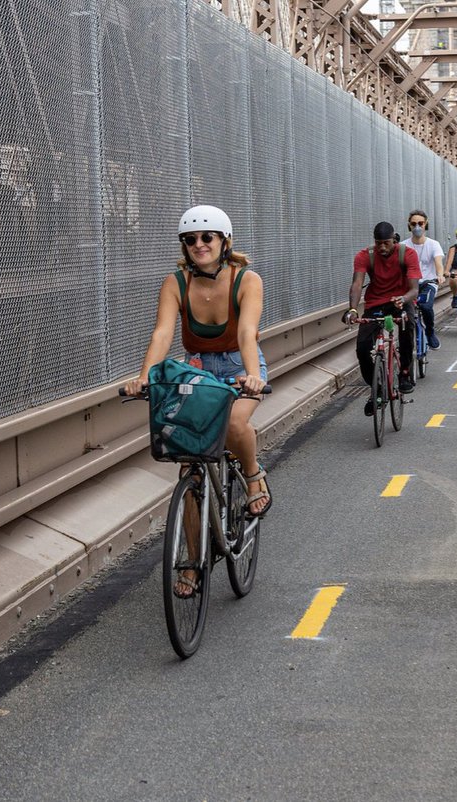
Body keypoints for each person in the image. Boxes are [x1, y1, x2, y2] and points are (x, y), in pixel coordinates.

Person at [125, 205, 269, 598]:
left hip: (240, 363)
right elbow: (162, 333)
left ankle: (253, 475)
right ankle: (192, 559)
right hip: (196, 369)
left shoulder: (247, 279)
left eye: (208, 237)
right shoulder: (175, 282)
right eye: (191, 239)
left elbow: (246, 332)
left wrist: (252, 377)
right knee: (189, 462)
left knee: (236, 425)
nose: (199, 245)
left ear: (225, 242)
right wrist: (145, 378)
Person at [343, 222, 420, 414]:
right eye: (378, 243)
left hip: (400, 301)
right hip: (375, 304)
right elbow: (357, 284)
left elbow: (414, 289)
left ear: (394, 239)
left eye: (386, 243)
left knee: (408, 324)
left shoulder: (407, 254)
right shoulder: (365, 256)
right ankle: (376, 388)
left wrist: (403, 299)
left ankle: (404, 373)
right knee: (362, 348)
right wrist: (352, 310)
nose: (382, 247)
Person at [405, 210, 444, 350]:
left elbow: (438, 263)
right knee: (404, 314)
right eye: (414, 224)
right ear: (409, 225)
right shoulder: (403, 246)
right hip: (410, 284)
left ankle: (430, 332)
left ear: (425, 224)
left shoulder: (434, 244)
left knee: (426, 306)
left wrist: (440, 275)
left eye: (420, 223)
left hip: (429, 283)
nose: (417, 227)